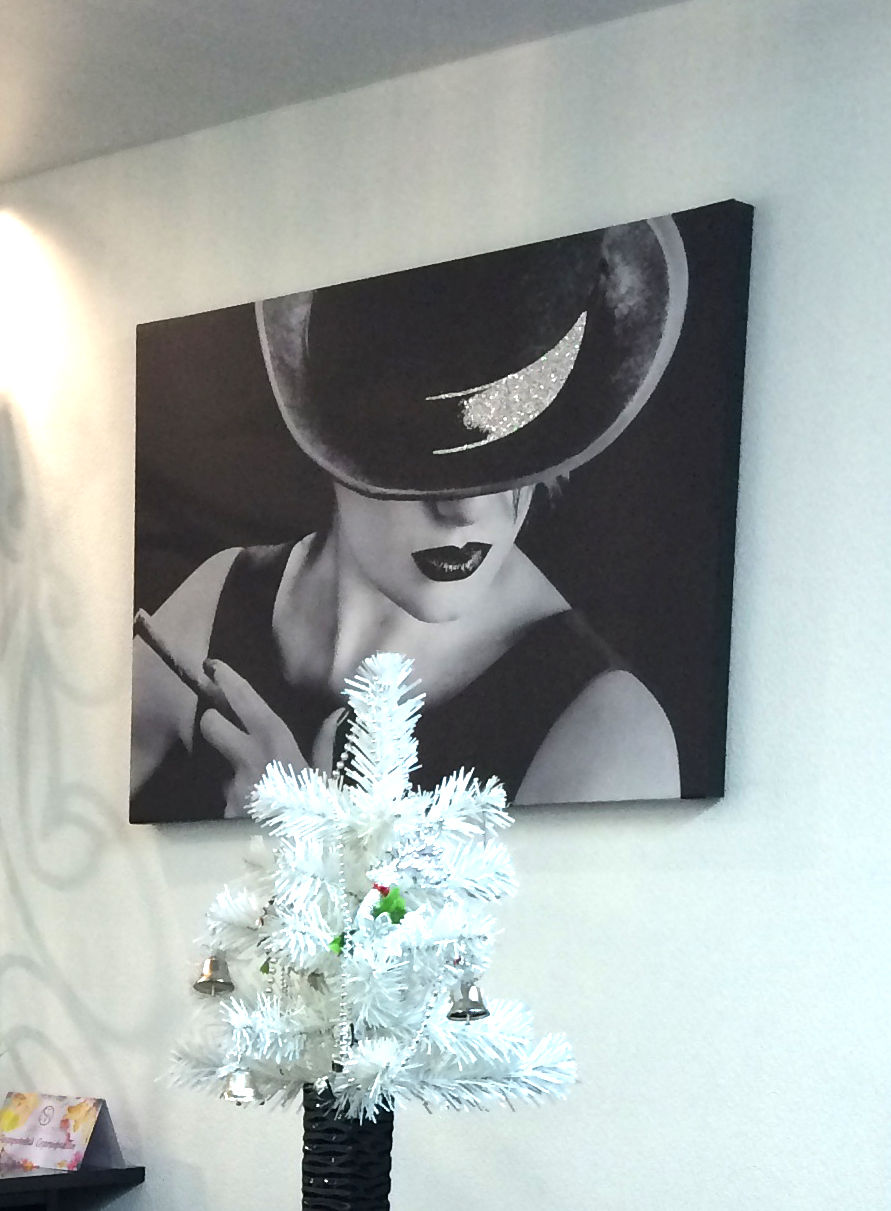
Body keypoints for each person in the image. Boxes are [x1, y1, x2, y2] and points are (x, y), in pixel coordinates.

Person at [130, 221, 689, 819]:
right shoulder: (217, 604)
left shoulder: (609, 734)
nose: (465, 510)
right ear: (331, 442)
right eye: (421, 462)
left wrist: (303, 837)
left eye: (509, 459)